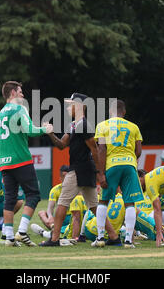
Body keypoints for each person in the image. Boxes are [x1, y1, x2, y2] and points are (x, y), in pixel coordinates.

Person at [39, 93, 119, 247]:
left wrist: (100, 173)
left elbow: (95, 150)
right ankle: (114, 237)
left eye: (71, 104)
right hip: (84, 169)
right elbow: (62, 145)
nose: (68, 107)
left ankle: (54, 239)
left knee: (62, 203)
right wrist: (50, 133)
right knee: (95, 207)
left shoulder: (83, 125)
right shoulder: (74, 125)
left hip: (79, 170)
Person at [0, 81, 53, 247]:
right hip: (20, 159)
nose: (23, 95)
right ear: (13, 93)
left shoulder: (0, 113)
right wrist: (45, 129)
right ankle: (21, 232)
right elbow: (29, 130)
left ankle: (8, 237)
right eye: (20, 92)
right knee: (34, 194)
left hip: (4, 162)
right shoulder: (19, 109)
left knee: (9, 198)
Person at [93, 99, 144, 248]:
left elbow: (101, 149)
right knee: (130, 203)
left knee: (103, 201)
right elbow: (139, 151)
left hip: (112, 165)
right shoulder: (133, 127)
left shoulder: (102, 125)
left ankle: (100, 237)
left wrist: (101, 173)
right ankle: (128, 240)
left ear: (110, 111)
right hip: (129, 165)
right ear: (124, 112)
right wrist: (129, 159)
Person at [37, 165, 71, 230]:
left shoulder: (76, 189)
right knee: (41, 213)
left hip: (73, 217)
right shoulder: (55, 190)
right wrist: (50, 217)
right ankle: (54, 228)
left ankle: (48, 232)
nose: (66, 179)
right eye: (64, 176)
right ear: (60, 178)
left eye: (68, 177)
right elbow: (50, 208)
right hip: (60, 217)